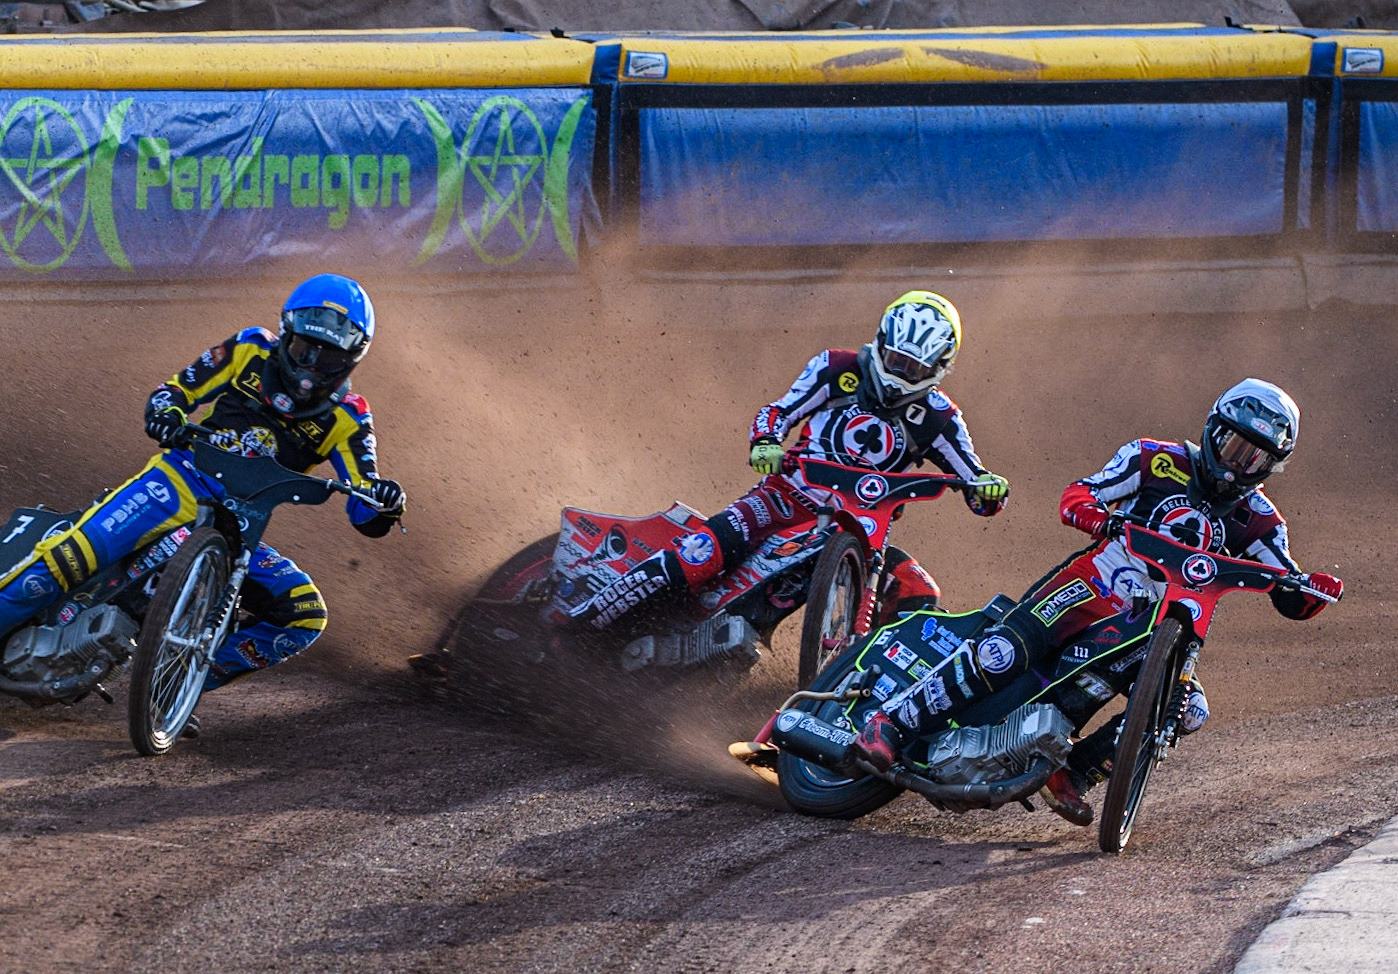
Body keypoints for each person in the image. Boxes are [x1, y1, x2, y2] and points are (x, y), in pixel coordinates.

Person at [845, 378, 1343, 826]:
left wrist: (1309, 592)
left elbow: (1288, 585)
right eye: (1234, 447)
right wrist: (1097, 516)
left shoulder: (1262, 520)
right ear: (1213, 430)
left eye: (1255, 459)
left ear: (1271, 467)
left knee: (1188, 709)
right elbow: (1079, 494)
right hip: (1094, 585)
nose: (1238, 466)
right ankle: (890, 723)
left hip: (1158, 627)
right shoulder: (1153, 458)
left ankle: (1076, 773)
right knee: (1003, 652)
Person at [0, 273, 406, 693]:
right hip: (178, 483)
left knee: (305, 614)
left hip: (242, 527)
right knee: (76, 554)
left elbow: (364, 503)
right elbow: (175, 390)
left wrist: (384, 501)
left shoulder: (350, 419)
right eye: (303, 349)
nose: (310, 368)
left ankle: (177, 684)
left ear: (351, 360)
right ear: (285, 333)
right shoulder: (249, 349)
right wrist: (166, 413)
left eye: (327, 358)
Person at [571, 290, 1010, 631]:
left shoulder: (941, 418)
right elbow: (778, 412)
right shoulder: (836, 367)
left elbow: (975, 481)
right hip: (784, 498)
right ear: (880, 343)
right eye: (895, 360)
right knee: (701, 552)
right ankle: (583, 622)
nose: (899, 375)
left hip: (863, 529)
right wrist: (766, 442)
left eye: (912, 369)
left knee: (916, 592)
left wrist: (989, 490)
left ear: (938, 369)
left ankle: (865, 697)